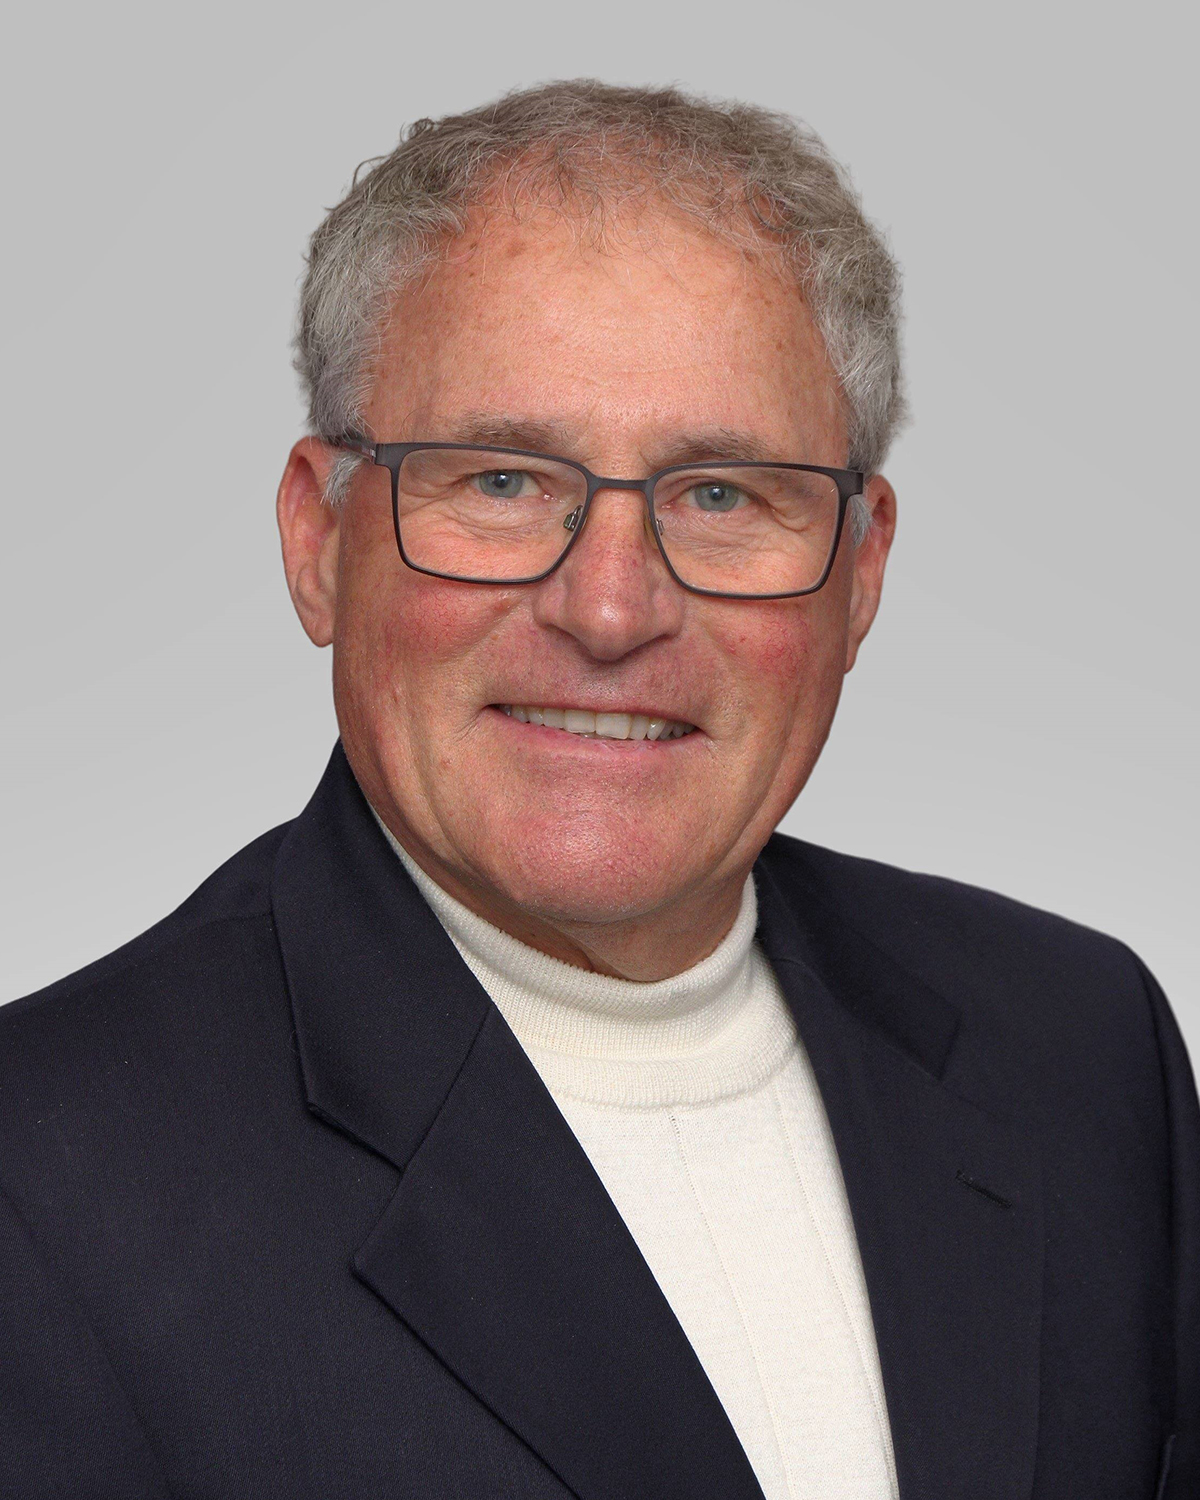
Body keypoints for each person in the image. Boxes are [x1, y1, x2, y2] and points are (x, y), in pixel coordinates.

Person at [1, 80, 1195, 1500]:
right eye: (503, 481)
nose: (613, 608)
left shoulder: (1081, 1048)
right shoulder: (43, 1181)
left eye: (722, 494)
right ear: (319, 541)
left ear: (863, 572)